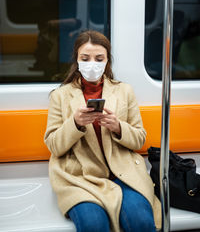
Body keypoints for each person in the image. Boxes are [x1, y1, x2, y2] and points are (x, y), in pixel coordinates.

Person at [44, 30, 161, 232]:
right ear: (77, 60)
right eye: (85, 58)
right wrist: (75, 123)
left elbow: (139, 139)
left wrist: (118, 127)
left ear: (107, 61)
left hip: (123, 173)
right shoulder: (60, 96)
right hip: (80, 177)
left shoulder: (124, 91)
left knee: (140, 221)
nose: (92, 64)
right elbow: (54, 145)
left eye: (99, 59)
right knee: (93, 224)